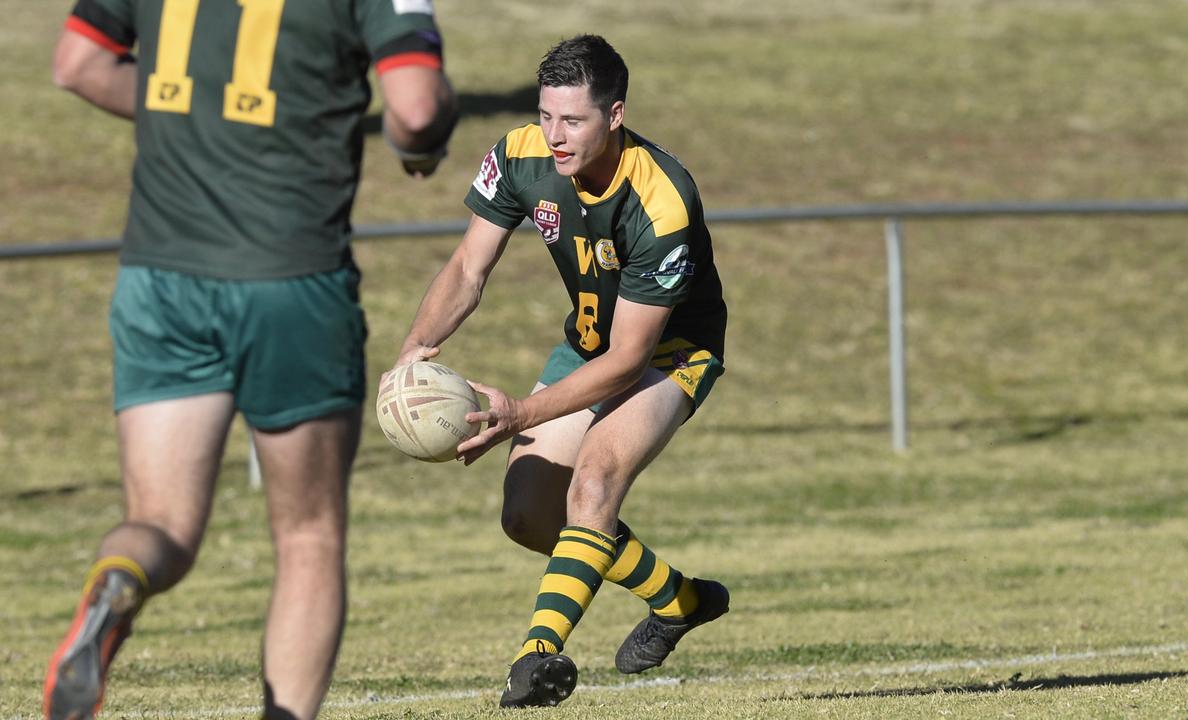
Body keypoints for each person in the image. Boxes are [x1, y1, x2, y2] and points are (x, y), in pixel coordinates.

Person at [44, 0, 457, 717]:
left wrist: (194, 121)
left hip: (160, 279)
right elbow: (416, 108)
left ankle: (117, 583)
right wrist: (422, 145)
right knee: (308, 533)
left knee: (164, 525)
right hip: (290, 280)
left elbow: (77, 66)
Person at [385, 34, 730, 708]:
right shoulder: (519, 156)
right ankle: (681, 600)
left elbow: (631, 357)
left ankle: (535, 657)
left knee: (594, 481)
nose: (555, 135)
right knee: (527, 515)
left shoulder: (662, 200)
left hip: (671, 352)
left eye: (573, 120)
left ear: (615, 115)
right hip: (591, 344)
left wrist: (517, 413)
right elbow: (466, 269)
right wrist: (414, 350)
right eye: (547, 115)